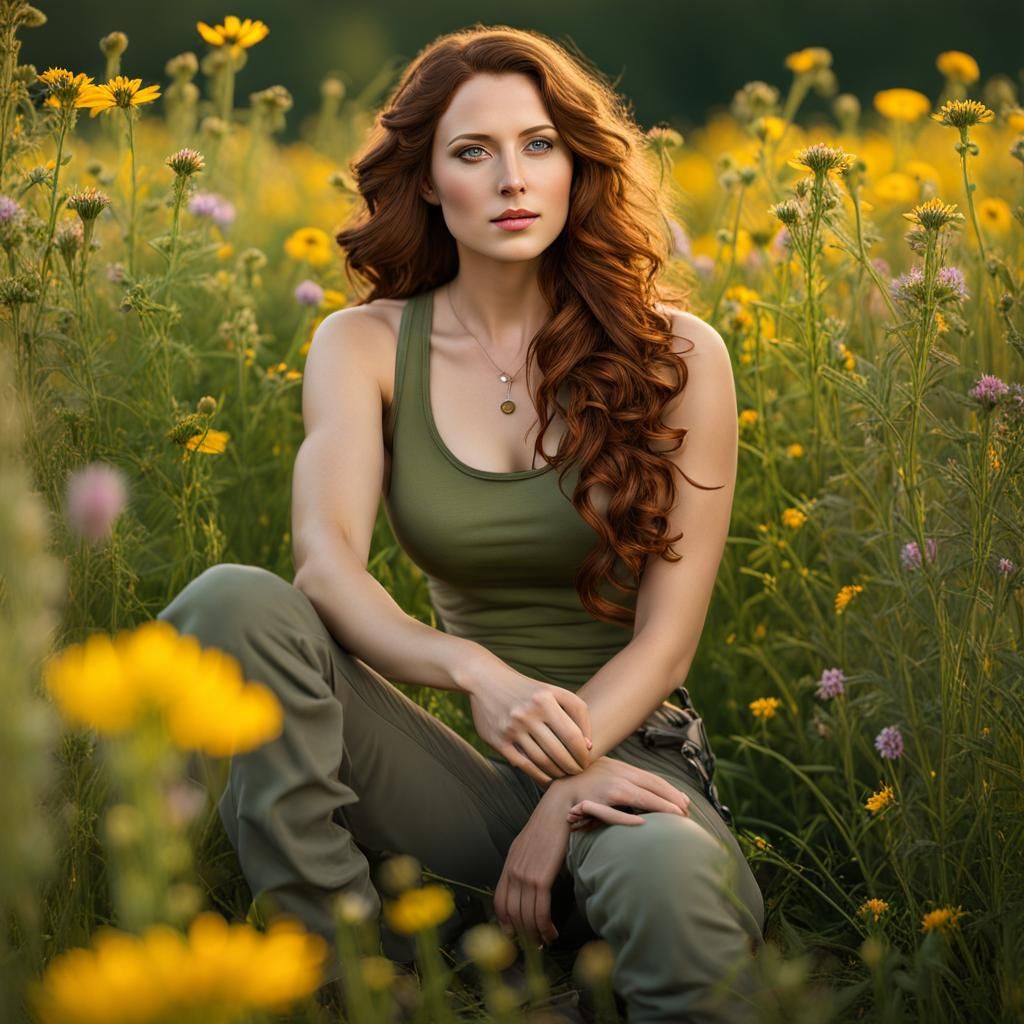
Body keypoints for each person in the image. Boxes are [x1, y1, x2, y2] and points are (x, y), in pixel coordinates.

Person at [158, 24, 765, 1023]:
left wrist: (569, 788)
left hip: (634, 766)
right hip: (477, 778)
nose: (511, 178)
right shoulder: (360, 347)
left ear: (577, 165)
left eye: (537, 145)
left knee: (663, 877)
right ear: (431, 181)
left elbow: (665, 641)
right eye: (473, 152)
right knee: (230, 605)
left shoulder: (679, 355)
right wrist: (475, 672)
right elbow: (325, 569)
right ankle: (344, 986)